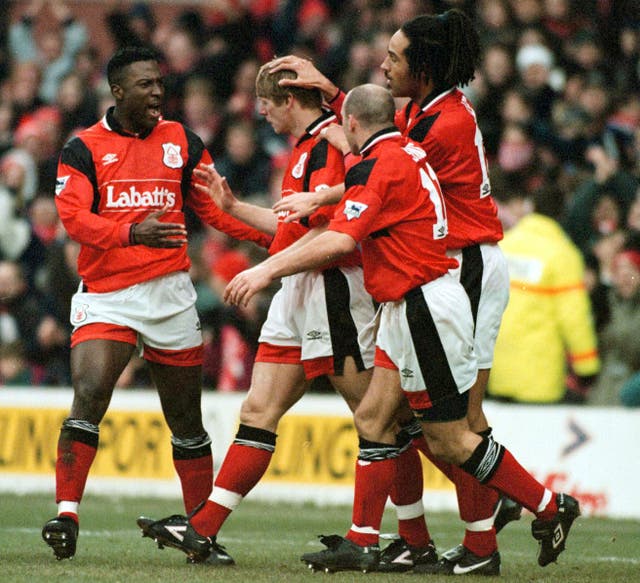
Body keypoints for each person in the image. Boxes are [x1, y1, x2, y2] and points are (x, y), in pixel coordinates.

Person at [221, 84, 578, 573]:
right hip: (402, 307)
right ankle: (364, 539)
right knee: (374, 419)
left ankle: (550, 506)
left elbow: (340, 239)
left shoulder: (379, 164)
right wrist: (324, 194)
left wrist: (264, 271)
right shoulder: (404, 151)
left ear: (349, 124)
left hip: (424, 306)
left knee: (451, 438)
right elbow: (365, 190)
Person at [137, 60, 436, 572]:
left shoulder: (333, 145)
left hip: (335, 288)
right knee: (258, 411)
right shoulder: (303, 150)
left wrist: (264, 273)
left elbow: (332, 235)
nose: (262, 115)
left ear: (291, 101)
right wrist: (232, 207)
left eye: (267, 105)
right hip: (301, 290)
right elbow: (293, 231)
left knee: (383, 417)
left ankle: (436, 519)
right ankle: (202, 529)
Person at [268, 8, 521, 573]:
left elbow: (381, 166)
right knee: (391, 416)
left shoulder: (442, 124)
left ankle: (506, 511)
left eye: (395, 57)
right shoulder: (432, 111)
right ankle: (417, 533)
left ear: (423, 68)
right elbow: (377, 141)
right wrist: (334, 93)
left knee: (461, 423)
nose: (384, 65)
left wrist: (321, 198)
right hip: (430, 271)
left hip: (461, 266)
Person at [40, 46, 271, 562]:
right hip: (109, 295)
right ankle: (66, 514)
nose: (157, 92)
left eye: (159, 83)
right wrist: (129, 231)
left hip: (169, 295)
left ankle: (200, 535)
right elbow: (74, 220)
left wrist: (276, 242)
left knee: (186, 418)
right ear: (117, 91)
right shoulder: (82, 149)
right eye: (145, 84)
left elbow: (215, 209)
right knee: (91, 391)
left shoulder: (183, 142)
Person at [489, 179, 601, 403]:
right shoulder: (562, 254)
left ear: (532, 207)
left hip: (497, 370)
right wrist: (587, 366)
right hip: (539, 377)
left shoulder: (504, 245)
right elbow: (573, 316)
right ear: (562, 213)